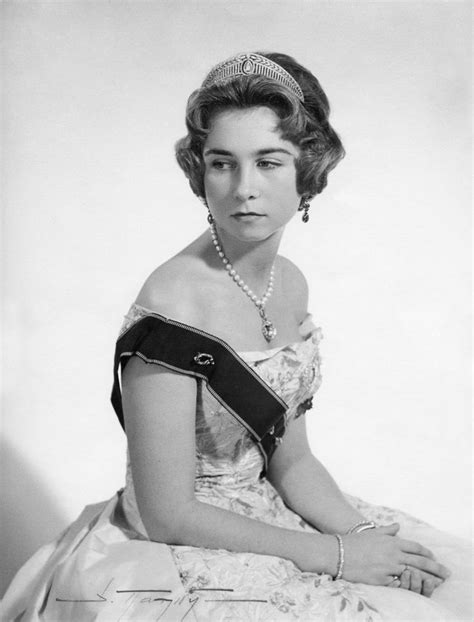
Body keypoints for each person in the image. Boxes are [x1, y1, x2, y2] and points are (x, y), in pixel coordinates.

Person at [2, 52, 471, 622]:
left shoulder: (289, 283)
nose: (243, 188)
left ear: (308, 173)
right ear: (200, 171)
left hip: (270, 517)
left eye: (268, 162)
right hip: (182, 543)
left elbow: (291, 462)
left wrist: (365, 535)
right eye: (223, 164)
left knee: (441, 585)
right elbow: (169, 511)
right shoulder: (174, 302)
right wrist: (339, 556)